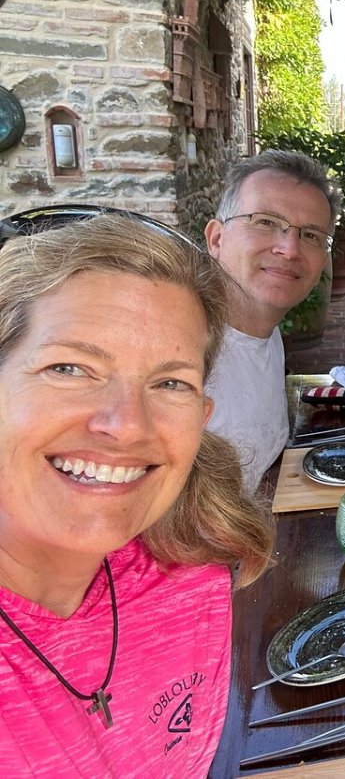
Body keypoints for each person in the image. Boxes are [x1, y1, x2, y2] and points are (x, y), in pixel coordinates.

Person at [0, 214, 274, 776]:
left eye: (169, 382)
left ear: (201, 418)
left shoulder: (190, 571)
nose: (126, 424)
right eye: (70, 367)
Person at [204, 150, 340, 491]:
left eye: (310, 235)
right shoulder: (183, 355)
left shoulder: (265, 332)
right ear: (216, 239)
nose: (290, 249)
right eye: (265, 222)